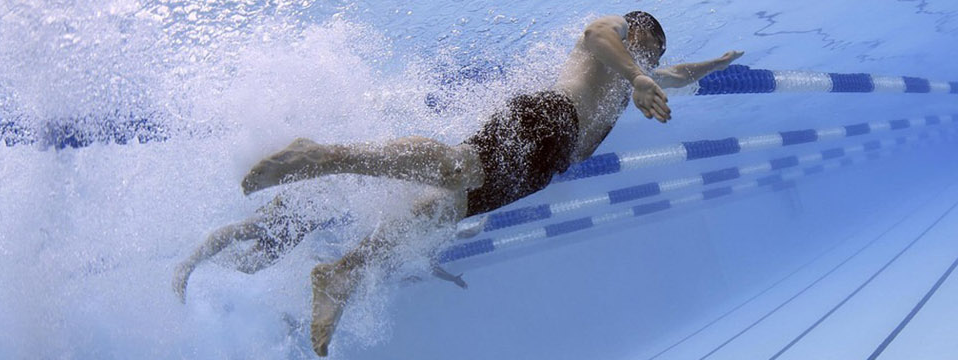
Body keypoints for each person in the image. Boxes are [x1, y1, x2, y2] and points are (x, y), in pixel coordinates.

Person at [171, 11, 743, 356]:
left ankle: (343, 271)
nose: (656, 60)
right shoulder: (616, 42)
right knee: (454, 168)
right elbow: (597, 34)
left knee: (437, 211)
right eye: (652, 50)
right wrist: (640, 73)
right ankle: (320, 157)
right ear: (640, 35)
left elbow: (676, 74)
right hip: (547, 119)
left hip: (543, 165)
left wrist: (714, 65)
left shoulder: (632, 80)